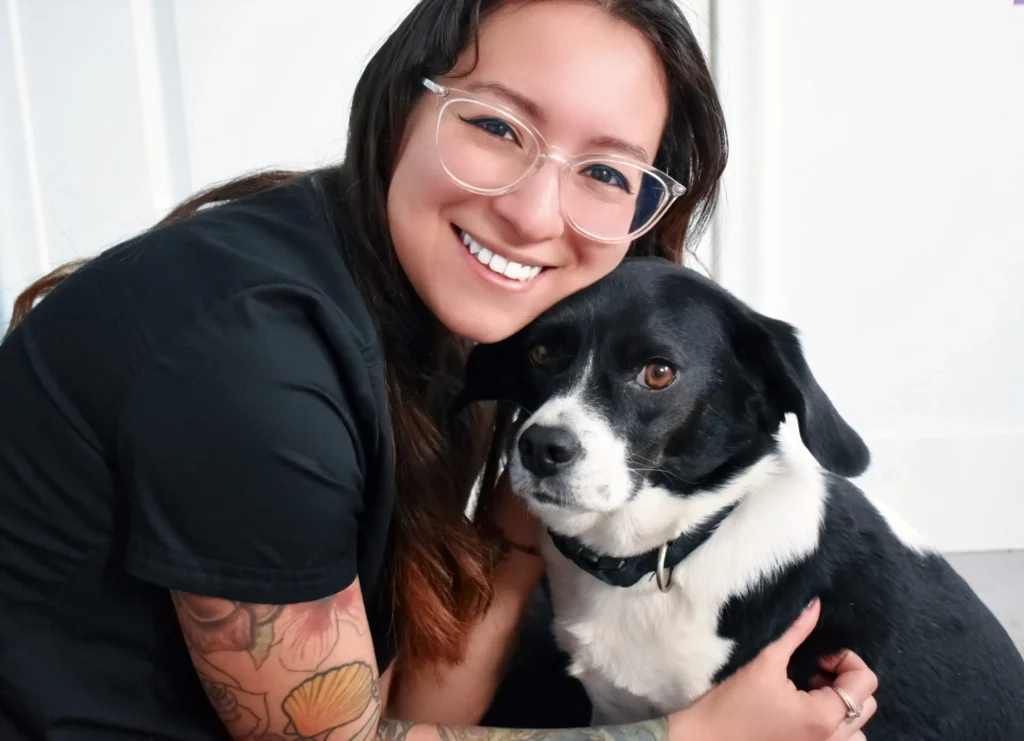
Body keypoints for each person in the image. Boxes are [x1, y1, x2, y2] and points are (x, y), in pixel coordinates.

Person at [0, 1, 878, 739]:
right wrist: (696, 733)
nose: (533, 214)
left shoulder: (431, 307)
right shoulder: (256, 374)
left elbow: (411, 699)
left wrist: (542, 514)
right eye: (496, 126)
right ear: (400, 108)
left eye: (605, 173)